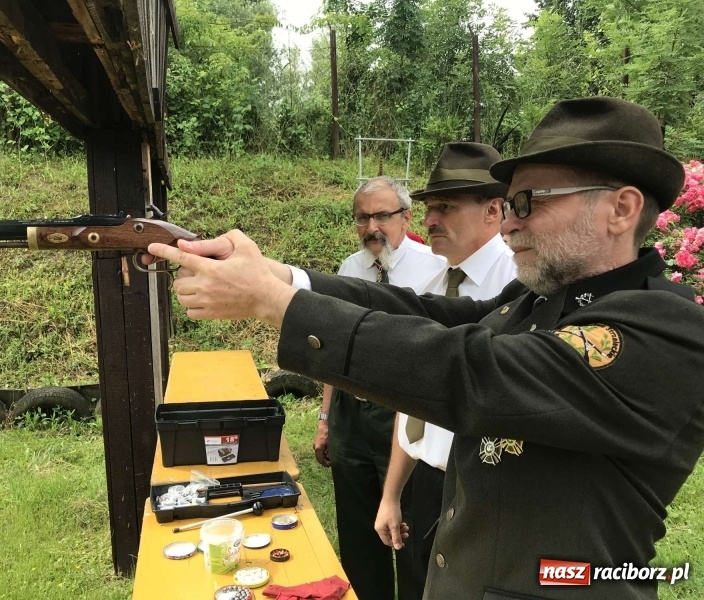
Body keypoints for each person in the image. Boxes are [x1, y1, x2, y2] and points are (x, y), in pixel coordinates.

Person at [145, 97, 704, 599]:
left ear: (621, 209)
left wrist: (276, 305)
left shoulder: (663, 328)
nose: (509, 224)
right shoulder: (540, 299)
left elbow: (469, 369)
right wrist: (283, 278)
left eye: (527, 202)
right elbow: (429, 313)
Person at [374, 142, 517, 598]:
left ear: (493, 210)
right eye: (429, 208)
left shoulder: (521, 290)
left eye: (446, 207)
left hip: (484, 487)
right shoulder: (432, 286)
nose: (430, 220)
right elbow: (410, 399)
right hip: (426, 479)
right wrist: (392, 494)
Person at [313, 176, 444, 600]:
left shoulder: (434, 268)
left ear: (406, 217)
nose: (372, 227)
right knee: (357, 527)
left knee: (409, 525)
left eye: (382, 215)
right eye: (362, 218)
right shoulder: (349, 270)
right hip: (351, 412)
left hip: (403, 411)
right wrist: (325, 418)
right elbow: (332, 350)